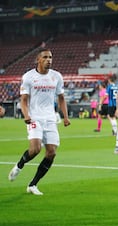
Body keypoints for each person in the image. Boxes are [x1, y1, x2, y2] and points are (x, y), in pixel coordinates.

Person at [8, 48, 71, 195]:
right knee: (35, 149)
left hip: (50, 118)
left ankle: (33, 185)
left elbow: (61, 98)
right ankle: (19, 165)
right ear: (38, 59)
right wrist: (26, 115)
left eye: (50, 57)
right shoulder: (29, 77)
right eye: (45, 57)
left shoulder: (57, 76)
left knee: (51, 152)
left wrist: (66, 117)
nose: (49, 59)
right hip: (34, 117)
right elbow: (23, 100)